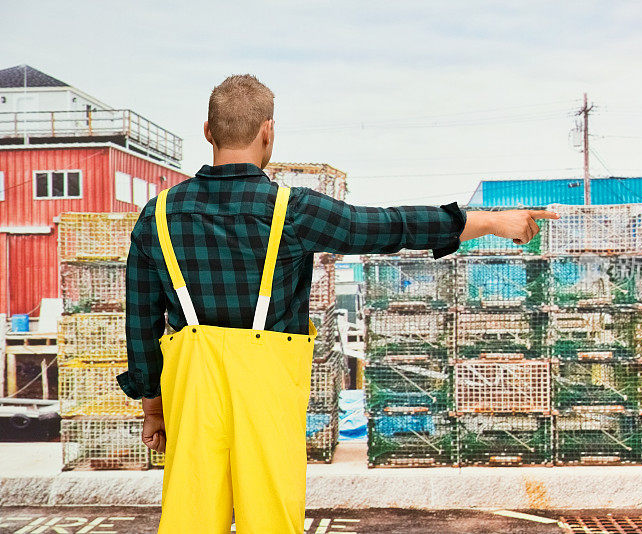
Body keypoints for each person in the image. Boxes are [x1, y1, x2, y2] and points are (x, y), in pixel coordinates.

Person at [116, 73, 558, 533]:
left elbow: (141, 322)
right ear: (268, 131)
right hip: (267, 398)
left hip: (192, 399)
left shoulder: (158, 215)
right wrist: (488, 222)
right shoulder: (293, 210)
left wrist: (153, 408)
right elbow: (389, 227)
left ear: (208, 130)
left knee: (189, 518)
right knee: (269, 517)